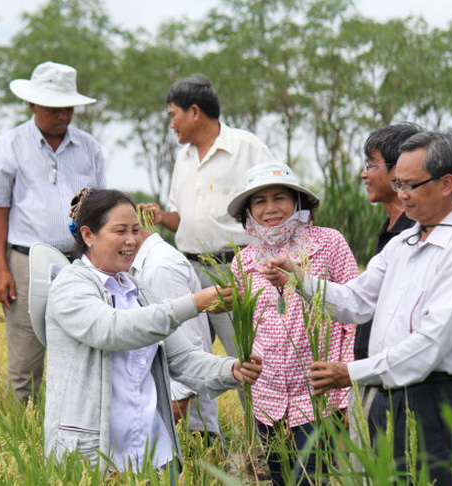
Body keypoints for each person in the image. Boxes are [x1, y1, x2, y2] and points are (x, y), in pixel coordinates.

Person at [267, 132, 452, 485]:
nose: (402, 194)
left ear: (446, 183)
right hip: (385, 395)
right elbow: (357, 300)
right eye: (398, 183)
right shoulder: (405, 240)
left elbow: (431, 345)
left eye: (412, 185)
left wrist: (351, 373)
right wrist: (300, 279)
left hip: (434, 398)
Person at [43, 188, 262, 473]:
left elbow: (181, 359)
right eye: (119, 231)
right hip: (96, 455)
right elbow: (111, 330)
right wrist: (194, 303)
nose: (131, 240)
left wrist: (232, 371)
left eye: (136, 230)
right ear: (88, 235)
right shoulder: (70, 286)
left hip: (155, 452)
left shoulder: (138, 290)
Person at [0, 61, 107, 405]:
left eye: (68, 107)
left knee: (84, 348)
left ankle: (75, 427)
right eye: (53, 108)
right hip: (26, 262)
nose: (62, 115)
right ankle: (25, 432)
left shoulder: (89, 147)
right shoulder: (10, 145)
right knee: (25, 358)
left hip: (79, 261)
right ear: (33, 105)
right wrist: (1, 269)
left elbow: (99, 208)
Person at [226, 161, 359, 484]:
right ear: (249, 211)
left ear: (297, 203)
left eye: (280, 198)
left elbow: (355, 317)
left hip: (318, 393)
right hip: (268, 397)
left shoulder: (329, 244)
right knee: (280, 477)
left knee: (312, 478)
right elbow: (246, 328)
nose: (271, 209)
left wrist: (345, 390)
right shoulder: (244, 260)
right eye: (260, 201)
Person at [140, 73, 274, 364]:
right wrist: (162, 217)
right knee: (191, 358)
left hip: (233, 270)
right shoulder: (183, 158)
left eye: (173, 115)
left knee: (245, 355)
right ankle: (200, 413)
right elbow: (183, 221)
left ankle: (257, 410)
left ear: (195, 112)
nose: (171, 124)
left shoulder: (247, 148)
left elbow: (279, 203)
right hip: (188, 270)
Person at [350, 123, 421, 466]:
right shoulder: (391, 232)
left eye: (371, 164)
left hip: (397, 380)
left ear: (398, 171)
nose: (364, 174)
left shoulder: (419, 235)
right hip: (368, 373)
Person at [130, 228, 222, 443]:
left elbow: (189, 344)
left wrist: (175, 408)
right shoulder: (147, 263)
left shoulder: (160, 267)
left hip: (187, 428)